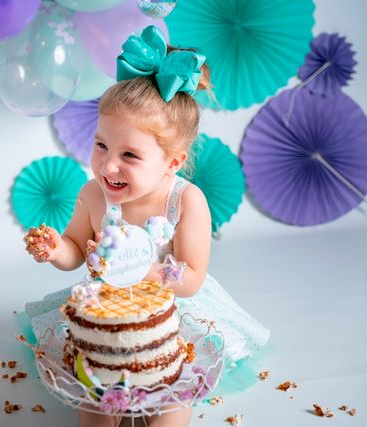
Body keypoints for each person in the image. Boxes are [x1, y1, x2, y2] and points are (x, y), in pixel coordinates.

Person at [22, 25, 270, 427]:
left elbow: (191, 278)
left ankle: (169, 411)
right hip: (105, 315)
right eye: (101, 145)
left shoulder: (186, 201)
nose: (109, 165)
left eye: (130, 155)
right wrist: (56, 249)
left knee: (172, 391)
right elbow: (74, 249)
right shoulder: (92, 195)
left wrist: (150, 272)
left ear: (172, 162)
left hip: (173, 316)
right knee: (95, 392)